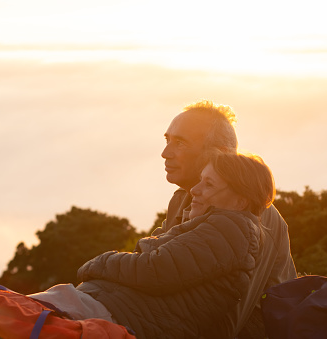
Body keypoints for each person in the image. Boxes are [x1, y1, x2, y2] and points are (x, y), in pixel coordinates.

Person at [74, 151, 277, 338]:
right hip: (118, 313)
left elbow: (153, 269)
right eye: (200, 181)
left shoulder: (230, 227)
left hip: (121, 317)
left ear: (240, 202)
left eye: (209, 184)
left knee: (44, 315)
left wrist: (98, 263)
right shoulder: (223, 228)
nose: (195, 190)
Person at [155, 100, 297, 338]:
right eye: (167, 140)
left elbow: (229, 322)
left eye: (180, 143)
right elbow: (151, 259)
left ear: (219, 153)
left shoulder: (256, 216)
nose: (165, 153)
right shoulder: (183, 199)